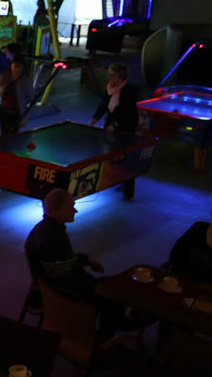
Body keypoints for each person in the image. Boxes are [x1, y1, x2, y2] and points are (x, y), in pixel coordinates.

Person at [25, 189, 126, 336]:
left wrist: (85, 259)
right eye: (71, 207)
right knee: (114, 292)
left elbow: (59, 263)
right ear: (55, 210)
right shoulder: (53, 238)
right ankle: (103, 338)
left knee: (111, 286)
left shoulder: (42, 229)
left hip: (52, 288)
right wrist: (94, 284)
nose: (75, 210)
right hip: (66, 293)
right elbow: (64, 277)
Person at [90, 62, 139, 198]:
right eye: (110, 74)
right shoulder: (110, 88)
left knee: (126, 158)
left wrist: (116, 124)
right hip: (111, 126)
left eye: (113, 75)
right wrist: (96, 117)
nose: (110, 77)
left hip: (125, 128)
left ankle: (128, 192)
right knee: (112, 154)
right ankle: (115, 179)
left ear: (120, 76)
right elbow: (103, 104)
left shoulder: (128, 90)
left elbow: (128, 111)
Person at [0, 57, 33, 137]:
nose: (17, 69)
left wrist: (25, 117)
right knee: (2, 134)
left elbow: (32, 99)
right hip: (4, 112)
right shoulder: (4, 77)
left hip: (17, 114)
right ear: (11, 66)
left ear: (23, 68)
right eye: (15, 66)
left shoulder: (25, 81)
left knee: (12, 136)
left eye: (19, 67)